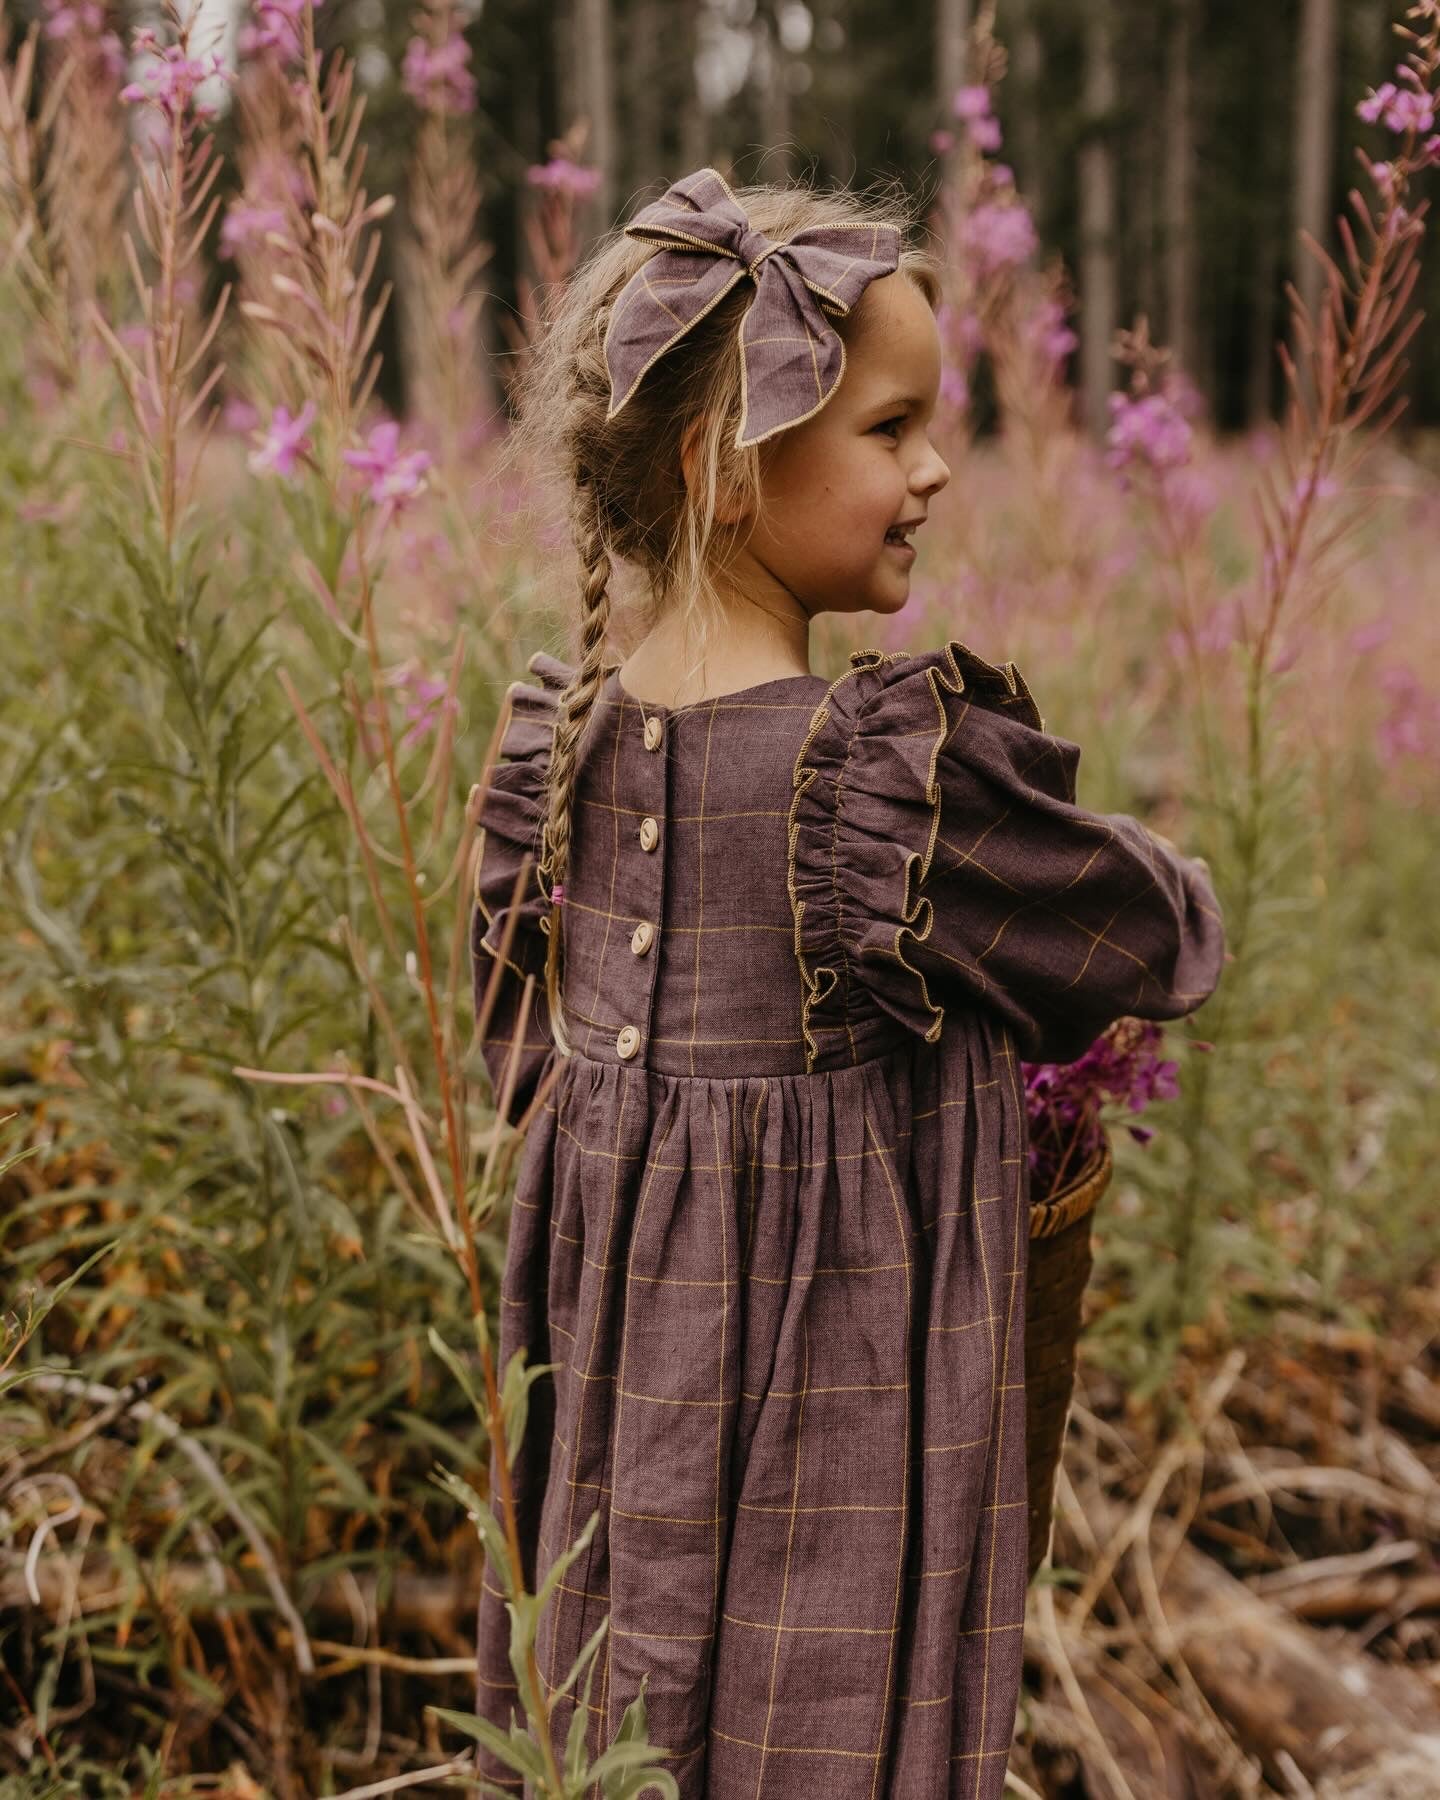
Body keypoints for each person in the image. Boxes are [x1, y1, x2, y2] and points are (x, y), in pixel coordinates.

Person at [467, 165, 1226, 1798]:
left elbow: (517, 1070)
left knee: (607, 1739)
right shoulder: (885, 792)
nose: (936, 468)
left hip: (608, 1469)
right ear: (721, 467)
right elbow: (1157, 940)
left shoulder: (554, 759)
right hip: (840, 1458)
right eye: (890, 428)